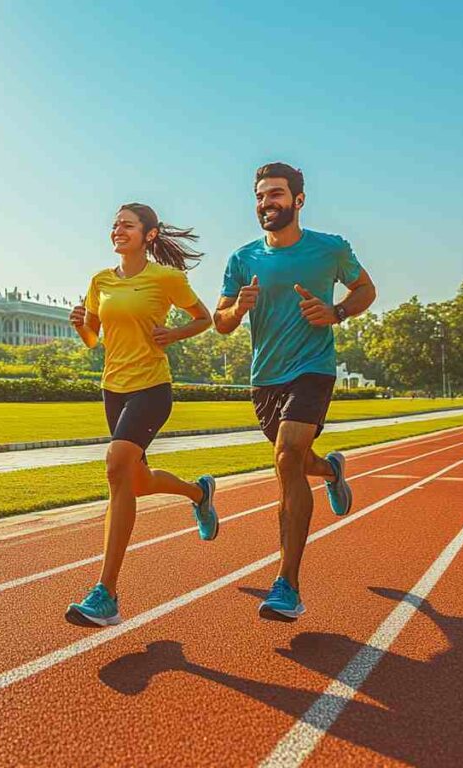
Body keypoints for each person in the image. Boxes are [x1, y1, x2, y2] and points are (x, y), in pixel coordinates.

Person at [214, 163, 377, 621]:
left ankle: (287, 583)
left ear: (298, 200)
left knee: (286, 457)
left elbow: (366, 288)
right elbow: (220, 320)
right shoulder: (243, 258)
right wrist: (236, 310)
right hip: (265, 378)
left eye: (277, 194)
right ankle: (329, 471)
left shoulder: (330, 249)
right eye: (261, 196)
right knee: (296, 461)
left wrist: (338, 311)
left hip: (313, 369)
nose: (267, 203)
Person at [65, 203, 216, 627]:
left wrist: (174, 333)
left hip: (151, 389)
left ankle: (106, 592)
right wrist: (80, 324)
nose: (118, 230)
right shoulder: (100, 281)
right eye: (114, 224)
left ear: (149, 235)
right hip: (113, 389)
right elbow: (94, 340)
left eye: (127, 225)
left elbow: (202, 318)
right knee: (137, 480)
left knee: (115, 467)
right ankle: (199, 494)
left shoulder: (166, 278)